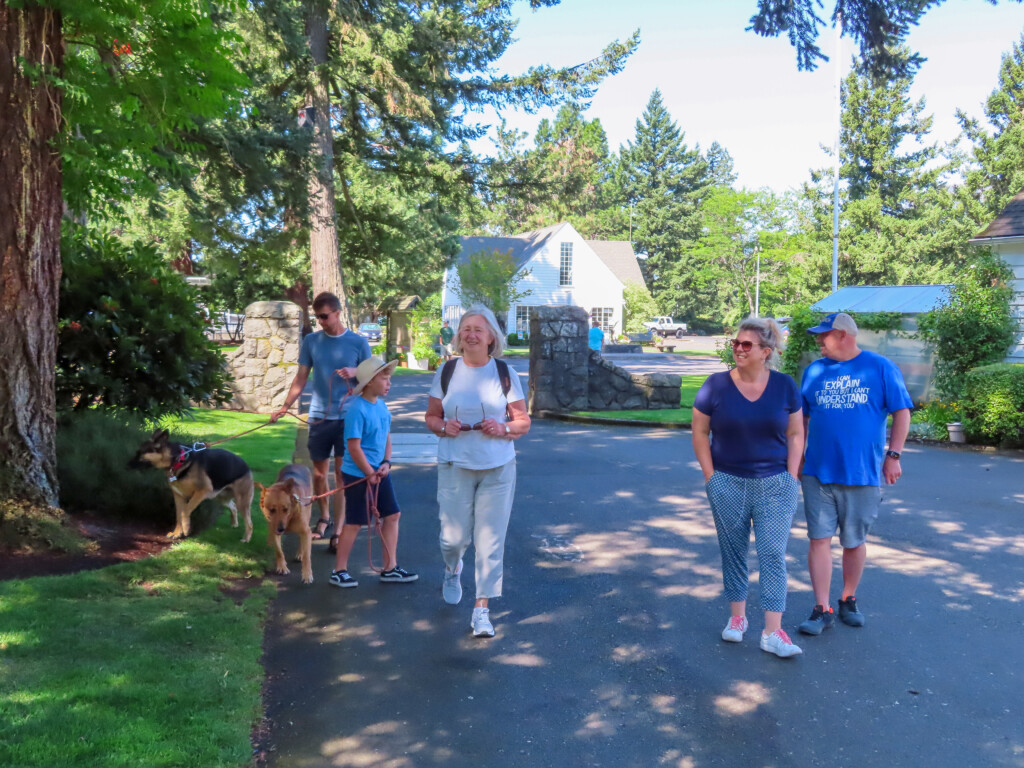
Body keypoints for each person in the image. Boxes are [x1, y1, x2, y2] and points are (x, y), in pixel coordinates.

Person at [692, 316, 804, 658]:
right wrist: (711, 478)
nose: (738, 349)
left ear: (765, 352)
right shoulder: (715, 385)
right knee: (734, 552)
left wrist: (792, 476)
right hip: (726, 481)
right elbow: (699, 433)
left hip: (775, 483)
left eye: (746, 345)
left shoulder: (785, 386)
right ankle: (737, 619)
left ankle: (773, 632)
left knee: (772, 554)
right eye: (735, 344)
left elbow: (796, 433)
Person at [797, 312, 913, 635]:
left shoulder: (879, 367)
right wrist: (797, 458)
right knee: (818, 539)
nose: (819, 341)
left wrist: (894, 456)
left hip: (862, 474)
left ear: (844, 335)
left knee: (853, 541)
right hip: (818, 472)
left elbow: (902, 413)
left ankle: (848, 597)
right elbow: (801, 420)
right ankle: (822, 608)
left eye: (824, 335)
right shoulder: (814, 371)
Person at [423, 304, 531, 638]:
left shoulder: (504, 373)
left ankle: (481, 609)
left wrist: (505, 429)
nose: (470, 334)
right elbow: (430, 417)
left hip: (498, 467)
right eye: (466, 328)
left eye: (478, 330)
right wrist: (444, 427)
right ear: (459, 336)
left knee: (490, 542)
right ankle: (453, 566)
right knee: (452, 539)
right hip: (455, 464)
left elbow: (524, 421)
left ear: (490, 339)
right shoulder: (447, 371)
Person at [270, 292, 371, 553]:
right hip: (319, 416)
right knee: (318, 474)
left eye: (325, 316)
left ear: (338, 313)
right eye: (318, 317)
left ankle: (337, 530)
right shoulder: (312, 341)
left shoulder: (358, 343)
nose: (321, 322)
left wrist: (357, 372)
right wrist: (285, 406)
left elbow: (371, 382)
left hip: (348, 418)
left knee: (340, 475)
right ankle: (323, 516)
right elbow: (301, 377)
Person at [328, 356, 417, 588]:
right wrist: (368, 472)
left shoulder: (382, 406)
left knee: (393, 514)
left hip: (378, 472)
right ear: (368, 382)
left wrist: (386, 462)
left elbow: (386, 438)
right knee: (355, 522)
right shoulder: (357, 409)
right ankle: (339, 571)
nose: (389, 383)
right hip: (358, 474)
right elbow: (354, 447)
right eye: (384, 379)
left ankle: (390, 568)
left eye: (389, 378)